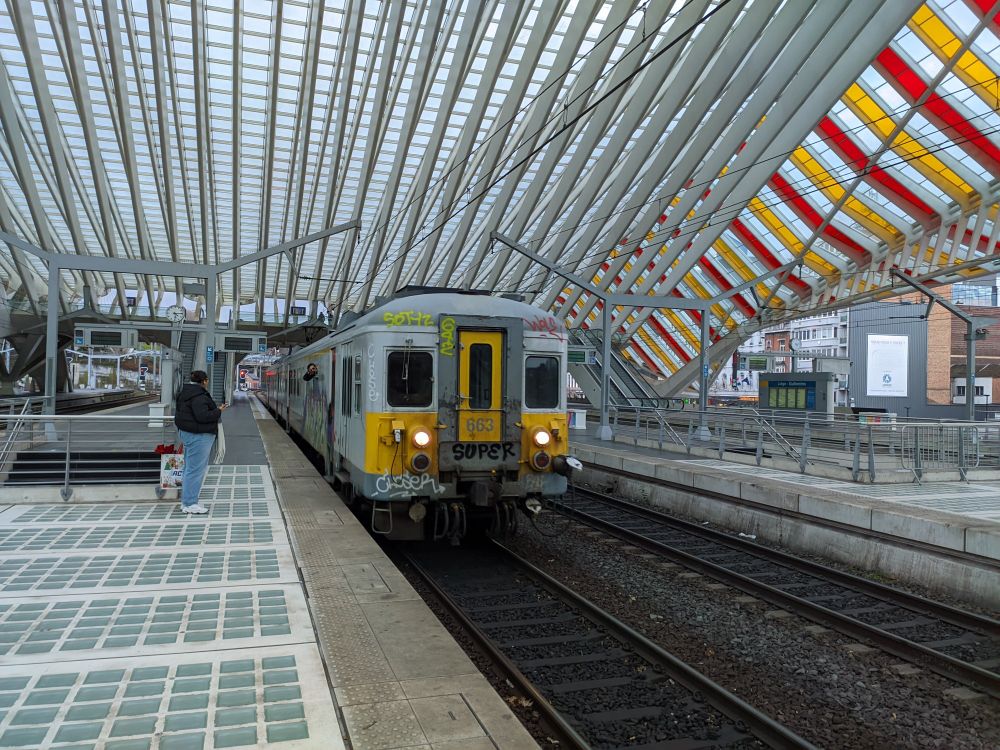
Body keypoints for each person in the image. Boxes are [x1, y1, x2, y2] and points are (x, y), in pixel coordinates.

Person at [174, 370, 228, 514]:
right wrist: (218, 411)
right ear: (204, 381)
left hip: (188, 433)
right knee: (195, 470)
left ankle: (187, 501)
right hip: (198, 435)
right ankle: (190, 503)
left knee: (189, 468)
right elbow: (203, 416)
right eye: (207, 380)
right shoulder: (199, 396)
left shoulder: (185, 392)